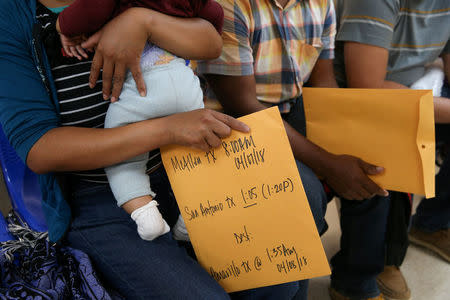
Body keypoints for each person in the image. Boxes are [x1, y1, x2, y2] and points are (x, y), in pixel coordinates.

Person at [0, 0, 302, 298]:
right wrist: (166, 129)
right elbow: (40, 149)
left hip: (188, 166)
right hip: (99, 195)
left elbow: (210, 39)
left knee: (281, 278)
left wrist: (143, 21)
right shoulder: (12, 16)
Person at [197, 0, 389, 299]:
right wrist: (329, 164)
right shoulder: (231, 6)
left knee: (374, 166)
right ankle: (293, 286)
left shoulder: (321, 4)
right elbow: (244, 107)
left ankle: (354, 284)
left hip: (292, 110)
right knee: (305, 192)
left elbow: (323, 81)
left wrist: (349, 141)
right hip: (233, 124)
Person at [53, 0, 224, 242]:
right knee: (195, 152)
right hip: (185, 85)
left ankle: (144, 212)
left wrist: (62, 26)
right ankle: (194, 217)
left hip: (144, 87)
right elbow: (215, 14)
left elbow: (89, 11)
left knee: (121, 154)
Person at [334, 0, 450, 299]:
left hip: (412, 89)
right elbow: (366, 89)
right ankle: (356, 279)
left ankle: (431, 223)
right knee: (379, 162)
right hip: (357, 101)